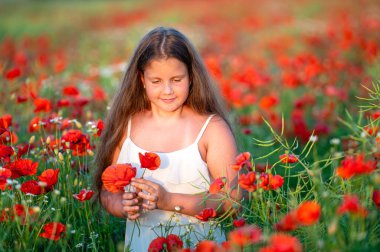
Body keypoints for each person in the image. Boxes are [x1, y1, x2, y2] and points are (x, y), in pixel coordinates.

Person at [94, 26, 239, 251]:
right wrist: (122, 206)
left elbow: (232, 199)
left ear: (191, 76)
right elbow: (107, 191)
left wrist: (168, 201)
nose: (168, 90)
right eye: (156, 81)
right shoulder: (127, 126)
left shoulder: (212, 130)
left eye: (177, 79)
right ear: (142, 79)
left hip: (200, 244)